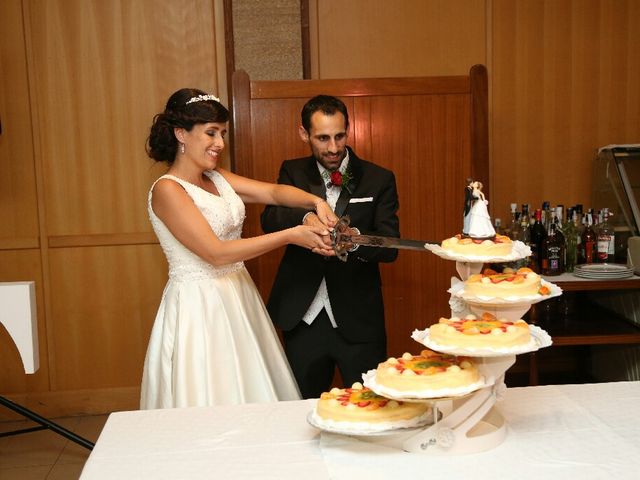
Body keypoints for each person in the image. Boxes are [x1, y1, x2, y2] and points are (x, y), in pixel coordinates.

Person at [140, 88, 338, 409]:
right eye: (211, 133)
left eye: (222, 133)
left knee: (253, 386)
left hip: (237, 294)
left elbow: (272, 193)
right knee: (214, 392)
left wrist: (316, 201)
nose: (220, 143)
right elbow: (216, 253)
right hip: (200, 306)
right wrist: (291, 234)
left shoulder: (216, 177)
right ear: (181, 134)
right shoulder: (167, 190)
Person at [261, 94, 400, 399]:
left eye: (339, 136)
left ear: (348, 130)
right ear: (304, 134)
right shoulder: (293, 172)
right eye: (322, 138)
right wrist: (306, 215)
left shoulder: (379, 179)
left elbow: (390, 247)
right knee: (299, 408)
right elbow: (270, 218)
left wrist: (354, 239)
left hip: (359, 321)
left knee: (371, 407)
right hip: (303, 318)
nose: (334, 147)